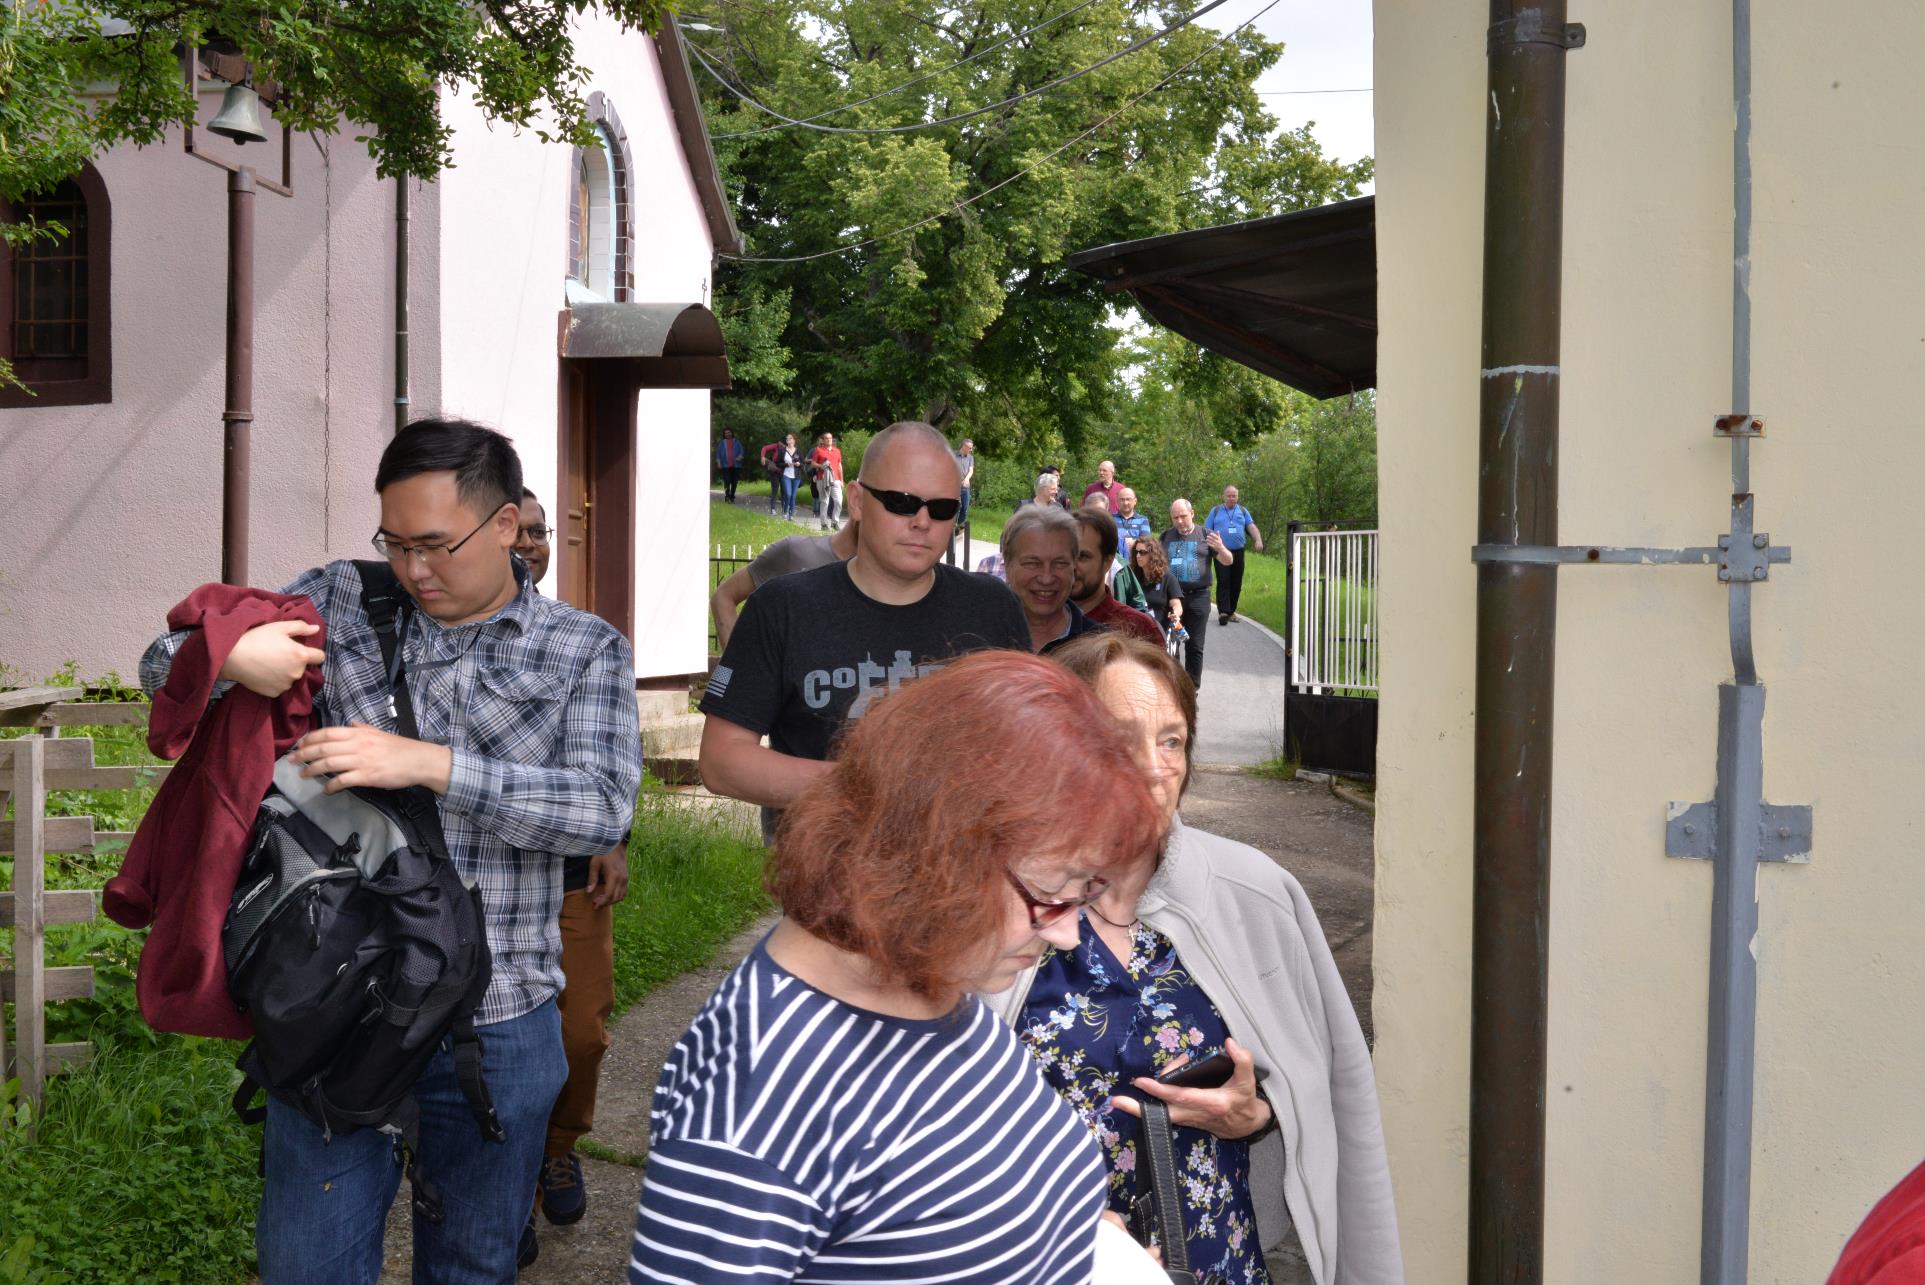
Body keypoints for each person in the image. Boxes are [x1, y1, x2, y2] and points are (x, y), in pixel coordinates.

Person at [141, 419, 643, 1283]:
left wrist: (431, 766)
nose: (414, 570)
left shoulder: (583, 649)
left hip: (500, 1019)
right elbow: (161, 663)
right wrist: (231, 652)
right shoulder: (342, 599)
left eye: (436, 545)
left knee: (472, 1267)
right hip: (332, 1010)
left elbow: (599, 809)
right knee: (306, 1266)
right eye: (396, 542)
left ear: (506, 526)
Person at [634, 651, 1165, 1282]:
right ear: (938, 850)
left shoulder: (922, 971)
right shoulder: (757, 1105)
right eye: (1054, 895)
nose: (1070, 935)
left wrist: (1071, 1233)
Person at [996, 634, 1404, 1285]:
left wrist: (1256, 1113)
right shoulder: (989, 903)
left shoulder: (1252, 892)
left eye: (1171, 740)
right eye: (1121, 737)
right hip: (1033, 1262)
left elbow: (1330, 1089)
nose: (1156, 769)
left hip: (1214, 1261)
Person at [697, 421, 1029, 838]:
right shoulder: (784, 606)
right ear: (856, 501)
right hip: (827, 887)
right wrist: (872, 789)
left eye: (942, 508)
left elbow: (1029, 750)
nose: (922, 521)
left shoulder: (993, 608)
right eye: (901, 501)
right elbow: (722, 762)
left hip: (968, 884)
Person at [510, 489, 630, 1260]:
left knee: (580, 1032)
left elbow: (613, 757)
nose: (529, 544)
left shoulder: (581, 642)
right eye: (515, 531)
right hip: (481, 890)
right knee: (501, 1048)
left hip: (570, 880)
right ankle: (507, 1189)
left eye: (538, 531)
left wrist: (613, 837)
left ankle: (559, 1143)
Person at [708, 517, 859, 653]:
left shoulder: (880, 579)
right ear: (856, 501)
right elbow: (723, 597)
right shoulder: (795, 552)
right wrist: (733, 672)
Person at [1003, 503, 1103, 654]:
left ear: (1074, 567)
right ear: (1007, 566)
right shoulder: (976, 636)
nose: (1046, 578)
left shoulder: (1099, 648)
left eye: (1060, 564)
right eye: (1032, 563)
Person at [1162, 498, 1232, 691]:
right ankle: (1175, 687)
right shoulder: (1166, 537)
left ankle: (1192, 689)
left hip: (1198, 598)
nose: (1180, 521)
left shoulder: (1206, 535)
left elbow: (1228, 561)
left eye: (1183, 516)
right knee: (1172, 645)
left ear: (1192, 514)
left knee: (1194, 646)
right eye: (1175, 517)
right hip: (1173, 599)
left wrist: (1221, 548)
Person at [1071, 508, 1162, 646]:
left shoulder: (1138, 629)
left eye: (1083, 557)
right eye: (1065, 556)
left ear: (1108, 561)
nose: (1072, 566)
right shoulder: (1037, 622)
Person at [1204, 484, 1264, 625]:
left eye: (1234, 496)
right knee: (1224, 580)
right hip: (1220, 551)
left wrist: (1258, 539)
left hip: (1238, 552)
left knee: (1236, 582)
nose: (1231, 498)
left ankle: (1231, 611)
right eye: (1228, 496)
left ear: (1237, 497)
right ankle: (1223, 612)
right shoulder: (1216, 511)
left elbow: (1251, 526)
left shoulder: (1242, 511)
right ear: (1223, 497)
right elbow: (1206, 529)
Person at [1116, 535, 1186, 639]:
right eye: (1136, 552)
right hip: (1138, 635)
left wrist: (1175, 614)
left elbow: (1177, 605)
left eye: (1142, 552)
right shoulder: (1131, 577)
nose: (1138, 556)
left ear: (1153, 555)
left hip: (1162, 633)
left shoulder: (1168, 578)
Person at [807, 431, 844, 530]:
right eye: (827, 438)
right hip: (822, 479)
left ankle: (835, 522)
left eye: (830, 438)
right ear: (823, 440)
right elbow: (813, 464)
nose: (829, 440)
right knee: (825, 502)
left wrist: (842, 480)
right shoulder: (818, 450)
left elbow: (839, 465)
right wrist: (821, 466)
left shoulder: (837, 451)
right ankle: (824, 524)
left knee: (839, 501)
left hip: (836, 480)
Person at [1113, 486, 1152, 575]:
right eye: (1122, 500)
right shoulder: (1110, 519)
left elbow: (1147, 542)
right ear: (1117, 502)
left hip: (1137, 567)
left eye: (1128, 499)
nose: (1125, 502)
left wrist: (1134, 543)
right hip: (1115, 567)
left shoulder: (1143, 520)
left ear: (1135, 501)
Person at [777, 432, 802, 521]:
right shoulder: (782, 450)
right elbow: (778, 463)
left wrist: (799, 464)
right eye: (787, 439)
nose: (788, 440)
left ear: (794, 440)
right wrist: (786, 464)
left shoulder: (798, 451)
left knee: (793, 496)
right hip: (786, 475)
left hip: (796, 476)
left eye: (790, 438)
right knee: (788, 494)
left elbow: (803, 463)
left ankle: (791, 514)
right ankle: (785, 512)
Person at [714, 428, 744, 502]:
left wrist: (740, 457)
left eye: (729, 432)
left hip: (736, 465)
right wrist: (719, 463)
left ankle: (732, 496)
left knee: (734, 482)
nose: (728, 434)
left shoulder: (737, 442)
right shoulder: (722, 443)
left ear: (732, 433)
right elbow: (718, 454)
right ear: (724, 434)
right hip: (725, 465)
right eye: (726, 433)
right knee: (727, 481)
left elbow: (742, 452)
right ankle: (727, 496)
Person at [956, 436, 975, 527]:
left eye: (971, 448)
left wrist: (967, 479)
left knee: (964, 508)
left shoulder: (970, 458)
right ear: (964, 447)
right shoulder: (954, 455)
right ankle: (952, 528)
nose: (971, 450)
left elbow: (971, 470)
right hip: (954, 486)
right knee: (956, 507)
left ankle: (960, 526)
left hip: (965, 487)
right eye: (969, 448)